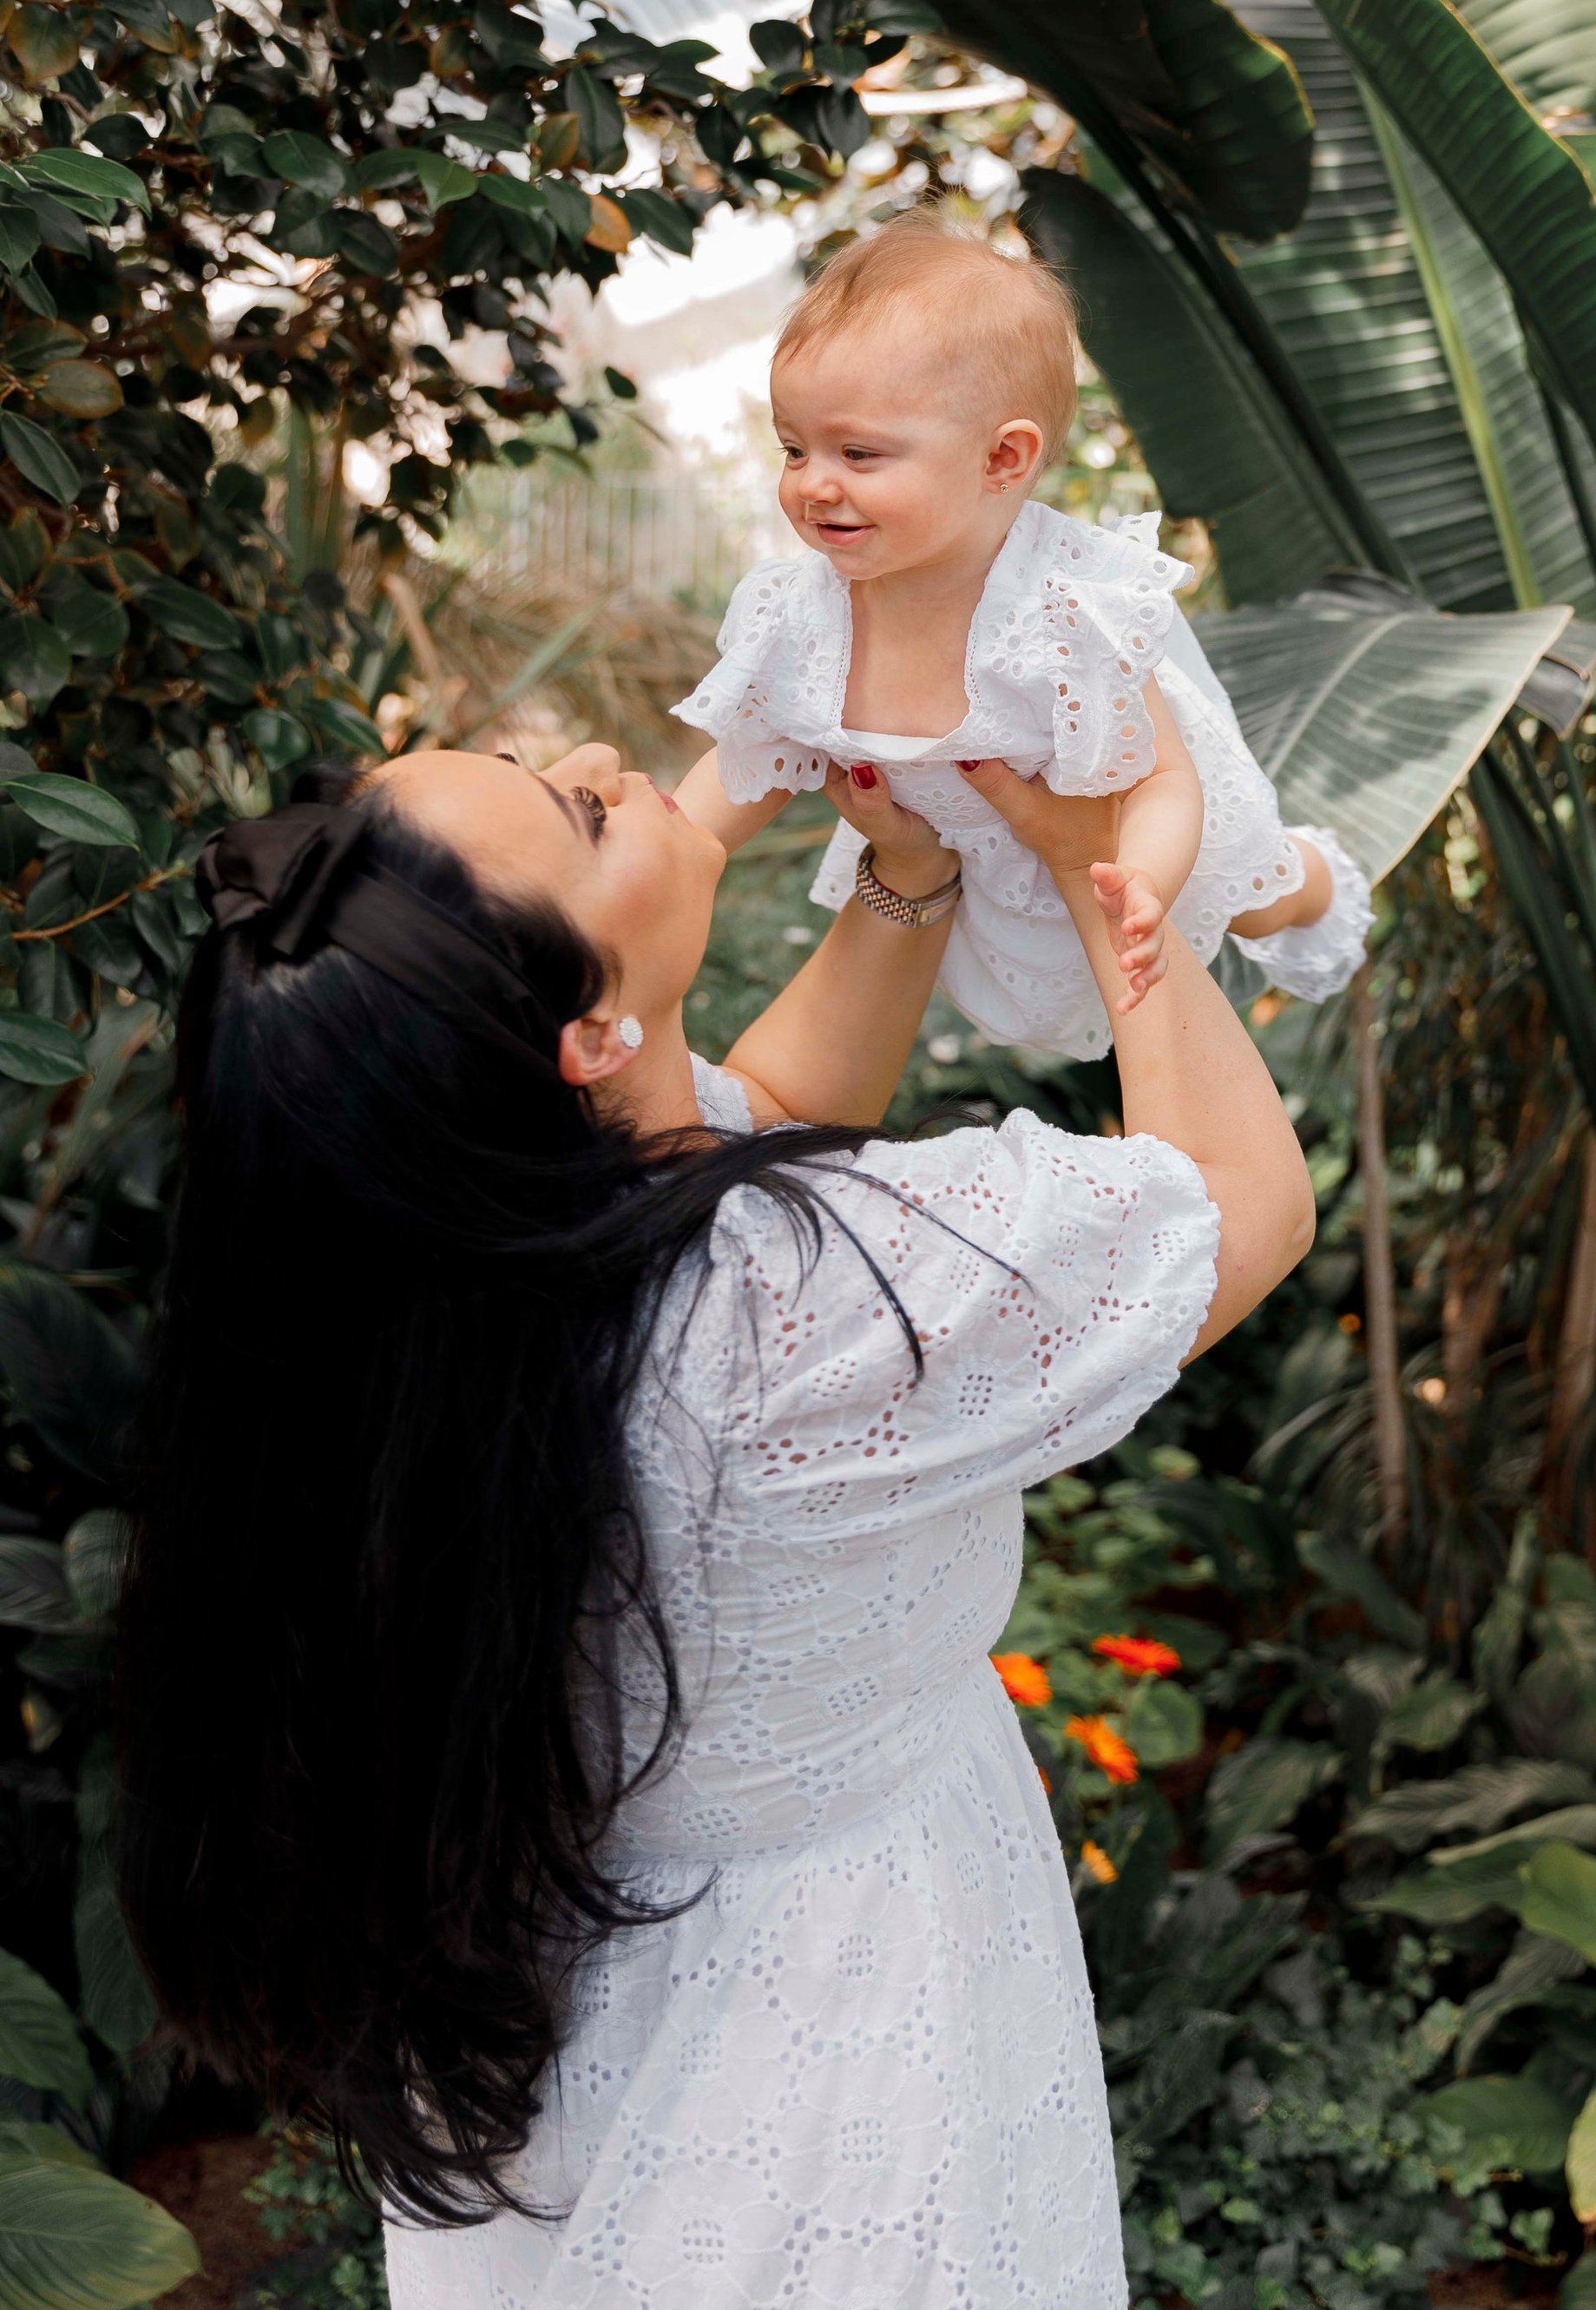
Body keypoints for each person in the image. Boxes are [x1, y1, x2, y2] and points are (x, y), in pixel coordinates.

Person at [117, 731, 1317, 2310]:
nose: (607, 755)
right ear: (590, 1033)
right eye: (580, 808)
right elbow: (1239, 1200)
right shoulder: (797, 1316)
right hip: (839, 2021)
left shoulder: (448, 1256)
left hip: (586, 2006)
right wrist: (1117, 877)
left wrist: (906, 876)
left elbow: (738, 1121)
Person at [673, 212, 1369, 1056]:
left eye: (857, 455)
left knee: (1252, 885)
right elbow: (747, 764)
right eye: (792, 449)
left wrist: (1141, 882)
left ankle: (1314, 882)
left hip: (1125, 846)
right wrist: (670, 851)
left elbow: (1163, 782)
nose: (813, 484)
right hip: (975, 876)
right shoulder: (799, 613)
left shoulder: (1060, 613)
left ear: (1002, 461)